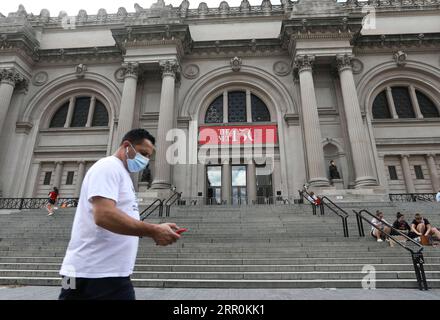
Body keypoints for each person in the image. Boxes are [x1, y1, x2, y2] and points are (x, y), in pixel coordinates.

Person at [58, 129, 182, 300]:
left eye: (148, 157)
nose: (145, 161)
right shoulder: (108, 167)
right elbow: (104, 215)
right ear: (127, 146)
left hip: (98, 272)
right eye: (143, 153)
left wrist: (157, 229)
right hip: (94, 275)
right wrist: (153, 230)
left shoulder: (121, 173)